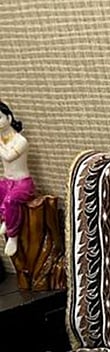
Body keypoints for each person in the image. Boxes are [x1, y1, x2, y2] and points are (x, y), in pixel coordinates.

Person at [0, 101, 35, 257]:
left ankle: (13, 236)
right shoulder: (2, 140)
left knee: (10, 200)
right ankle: (5, 220)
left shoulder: (21, 141)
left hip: (22, 183)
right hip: (7, 181)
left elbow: (8, 156)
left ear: (8, 117)